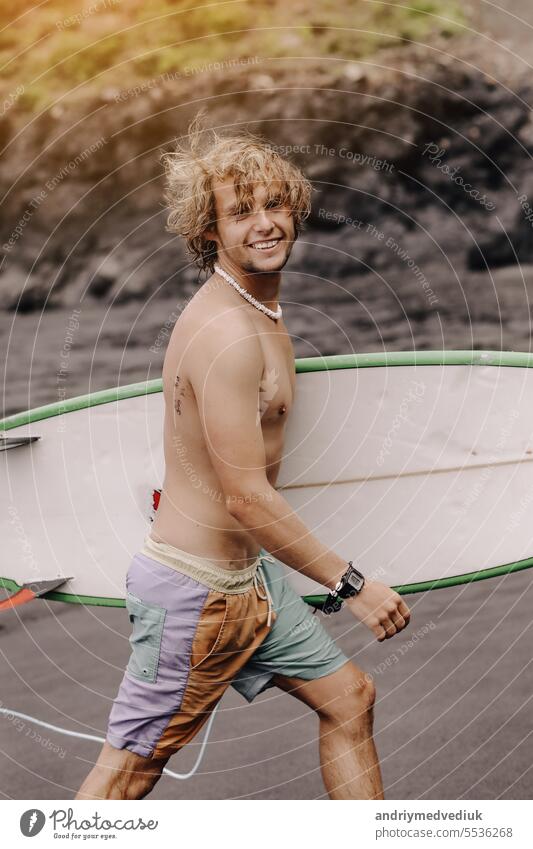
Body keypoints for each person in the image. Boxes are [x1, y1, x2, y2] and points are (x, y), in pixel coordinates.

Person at [76, 116, 411, 801]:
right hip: (198, 594)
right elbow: (244, 497)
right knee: (125, 776)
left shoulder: (263, 314)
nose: (263, 223)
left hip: (248, 580)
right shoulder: (228, 332)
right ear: (208, 231)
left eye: (273, 204)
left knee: (349, 699)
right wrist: (353, 584)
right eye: (239, 211)